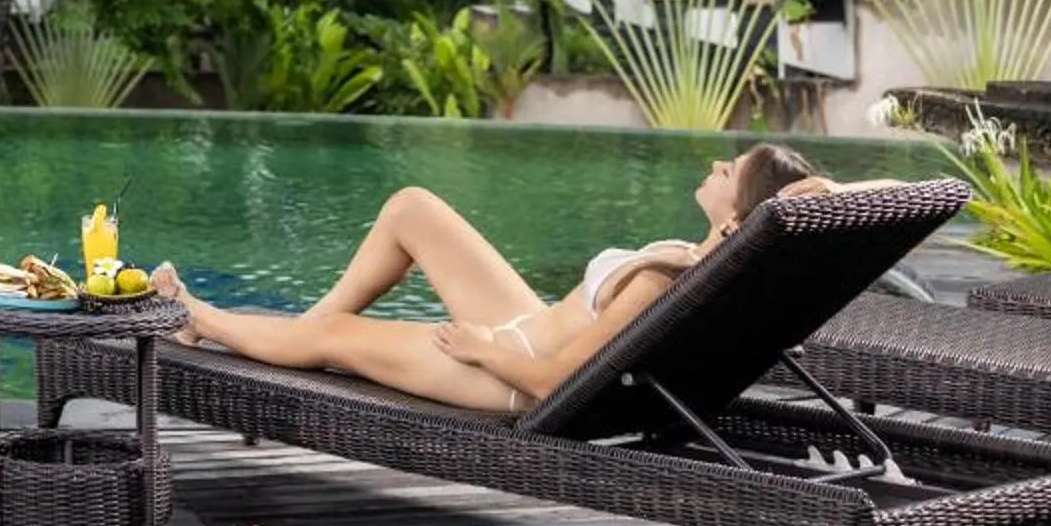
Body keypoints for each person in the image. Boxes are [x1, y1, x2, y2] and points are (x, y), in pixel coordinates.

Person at [148, 143, 821, 413]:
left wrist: (479, 349)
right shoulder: (704, 259)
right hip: (526, 327)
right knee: (412, 207)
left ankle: (198, 318)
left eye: (731, 170)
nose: (717, 164)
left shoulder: (664, 281)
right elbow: (847, 192)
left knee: (338, 337)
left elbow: (556, 382)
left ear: (741, 215)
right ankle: (290, 333)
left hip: (510, 372)